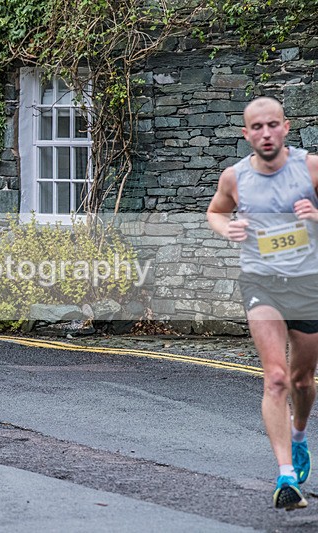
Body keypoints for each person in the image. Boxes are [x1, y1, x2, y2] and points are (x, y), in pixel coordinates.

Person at [207, 96, 318, 510]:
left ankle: (300, 433)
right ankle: (286, 477)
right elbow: (215, 212)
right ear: (246, 133)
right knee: (275, 378)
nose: (266, 133)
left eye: (273, 125)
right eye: (257, 127)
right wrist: (228, 227)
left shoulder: (309, 168)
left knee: (302, 380)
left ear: (286, 127)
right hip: (261, 281)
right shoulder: (235, 178)